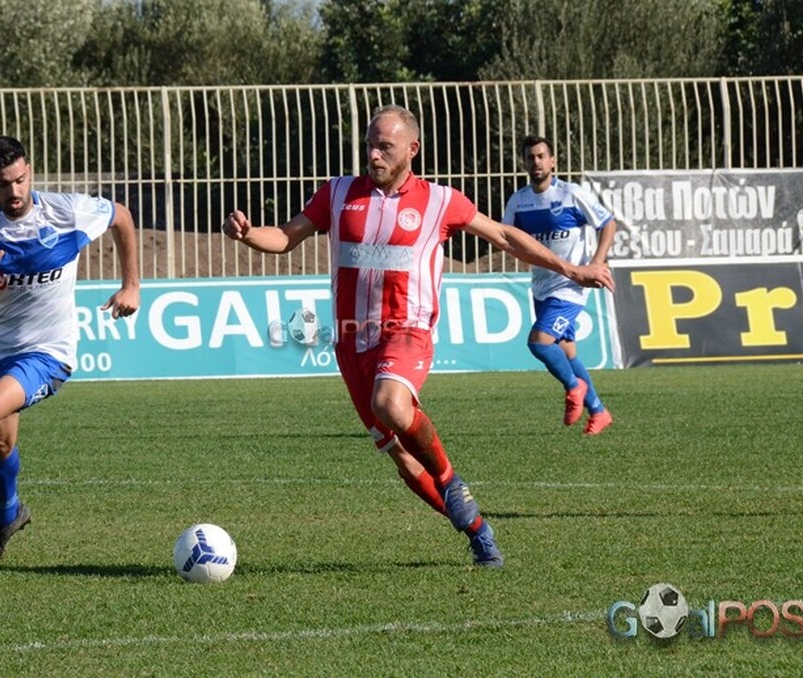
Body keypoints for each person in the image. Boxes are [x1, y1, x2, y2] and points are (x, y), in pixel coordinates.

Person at [223, 106, 614, 567]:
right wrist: (249, 235)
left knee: (390, 404)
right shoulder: (338, 192)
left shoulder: (439, 201)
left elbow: (505, 236)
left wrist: (572, 268)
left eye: (384, 146)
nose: (373, 154)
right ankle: (477, 532)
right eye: (369, 144)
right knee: (401, 457)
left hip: (407, 331)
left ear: (413, 149)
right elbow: (287, 236)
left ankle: (450, 480)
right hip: (351, 343)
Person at [0, 136, 141, 560]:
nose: (13, 192)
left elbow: (121, 217)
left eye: (19, 180)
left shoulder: (65, 212)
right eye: (2, 183)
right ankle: (10, 513)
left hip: (49, 352)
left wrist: (131, 285)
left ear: (29, 171)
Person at [502, 135, 617, 435]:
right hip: (541, 287)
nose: (536, 162)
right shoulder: (519, 201)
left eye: (542, 156)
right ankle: (599, 411)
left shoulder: (571, 194)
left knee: (539, 342)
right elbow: (508, 240)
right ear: (525, 162)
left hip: (570, 287)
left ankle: (573, 386)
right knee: (567, 352)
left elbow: (608, 223)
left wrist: (596, 263)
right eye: (531, 157)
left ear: (553, 161)